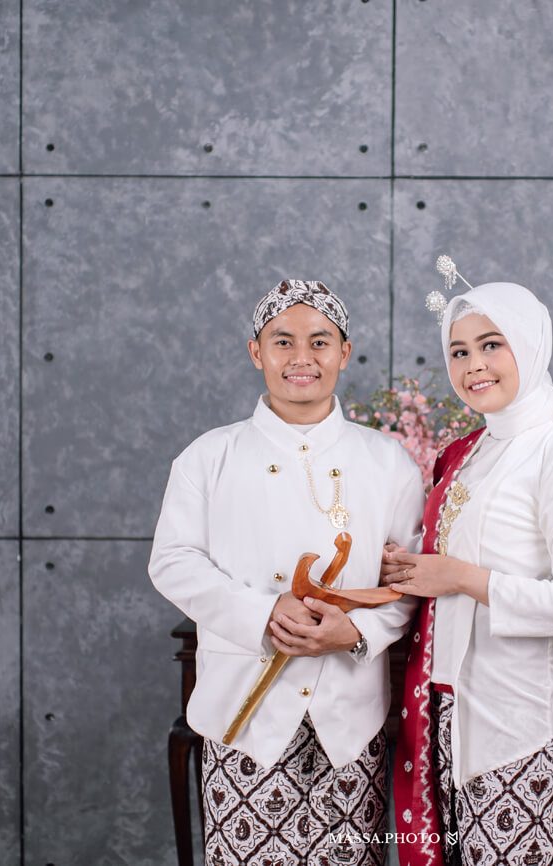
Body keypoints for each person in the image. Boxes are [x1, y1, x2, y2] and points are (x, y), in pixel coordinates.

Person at [149, 279, 424, 866]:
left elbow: (408, 579)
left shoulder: (388, 462)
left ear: (344, 353)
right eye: (283, 341)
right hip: (242, 718)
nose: (302, 357)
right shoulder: (209, 456)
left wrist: (357, 633)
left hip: (351, 726)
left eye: (320, 341)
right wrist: (264, 612)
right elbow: (172, 561)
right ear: (257, 352)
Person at [382, 280, 553, 866]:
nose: (474, 365)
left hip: (515, 729)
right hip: (445, 716)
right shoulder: (470, 455)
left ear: (529, 344)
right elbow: (439, 571)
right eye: (459, 351)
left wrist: (461, 577)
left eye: (491, 345)